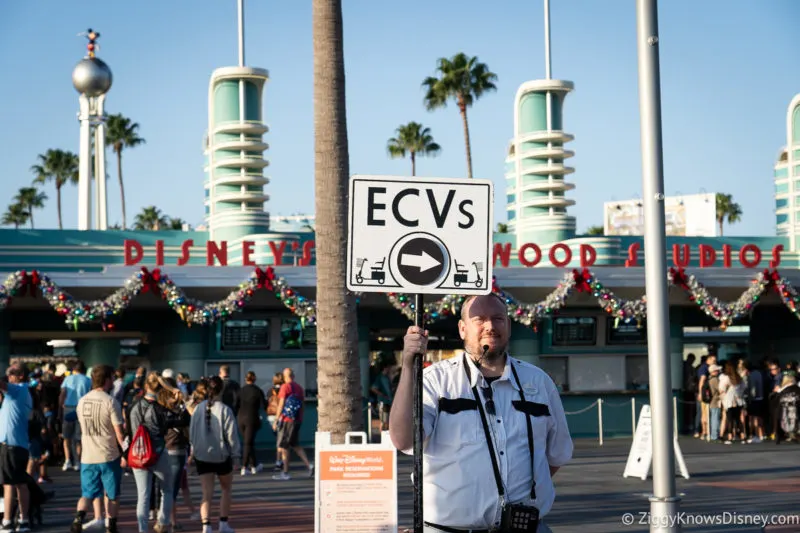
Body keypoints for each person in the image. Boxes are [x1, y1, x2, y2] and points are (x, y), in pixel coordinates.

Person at [389, 294, 573, 533]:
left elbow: (555, 456)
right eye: (480, 319)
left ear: (508, 325)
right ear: (463, 328)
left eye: (498, 318)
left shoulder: (538, 382)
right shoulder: (436, 380)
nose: (490, 326)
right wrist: (408, 366)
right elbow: (403, 439)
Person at [69, 365, 127, 533]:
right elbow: (119, 434)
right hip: (109, 454)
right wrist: (125, 452)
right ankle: (112, 525)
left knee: (87, 493)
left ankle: (78, 518)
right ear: (107, 379)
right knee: (113, 494)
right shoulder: (110, 402)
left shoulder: (82, 401)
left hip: (88, 455)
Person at [129, 372, 189, 533]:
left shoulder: (134, 406)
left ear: (146, 386)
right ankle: (162, 522)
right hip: (158, 453)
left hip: (138, 454)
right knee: (167, 489)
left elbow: (130, 432)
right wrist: (180, 402)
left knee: (143, 495)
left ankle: (143, 529)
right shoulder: (161, 410)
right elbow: (183, 420)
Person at [189, 376, 240, 533]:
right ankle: (223, 523)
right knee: (226, 489)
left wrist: (194, 452)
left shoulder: (197, 408)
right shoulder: (225, 410)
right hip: (221, 456)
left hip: (202, 456)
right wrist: (236, 455)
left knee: (206, 492)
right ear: (221, 390)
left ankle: (206, 526)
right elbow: (232, 436)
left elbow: (192, 433)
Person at [0, 364, 33, 533]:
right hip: (20, 444)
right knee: (21, 483)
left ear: (20, 376)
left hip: (10, 445)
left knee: (9, 484)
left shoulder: (17, 390)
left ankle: (7, 521)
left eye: (11, 373)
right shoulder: (23, 392)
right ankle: (23, 520)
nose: (8, 375)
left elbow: (2, 384)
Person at [271, 368, 313, 480]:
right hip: (297, 419)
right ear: (293, 376)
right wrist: (300, 418)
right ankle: (310, 465)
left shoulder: (285, 387)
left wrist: (276, 420)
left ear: (285, 377)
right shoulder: (299, 388)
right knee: (295, 444)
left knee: (284, 446)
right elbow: (302, 405)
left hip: (287, 420)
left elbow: (281, 404)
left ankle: (285, 472)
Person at [61, 361, 92, 471]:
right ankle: (77, 461)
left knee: (66, 437)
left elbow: (62, 394)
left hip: (69, 408)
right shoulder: (88, 380)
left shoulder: (68, 379)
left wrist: (61, 407)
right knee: (78, 438)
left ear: (74, 369)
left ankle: (67, 460)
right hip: (82, 409)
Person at [237, 371, 267, 476]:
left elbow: (235, 405)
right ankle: (244, 466)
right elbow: (264, 405)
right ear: (254, 379)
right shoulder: (258, 391)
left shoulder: (240, 391)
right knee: (248, 443)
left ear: (245, 379)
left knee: (248, 442)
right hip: (252, 418)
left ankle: (254, 465)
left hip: (241, 418)